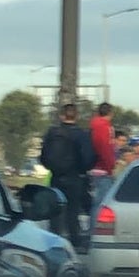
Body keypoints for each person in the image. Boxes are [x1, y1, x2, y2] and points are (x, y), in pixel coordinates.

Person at [39, 103, 96, 249]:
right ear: (76, 116)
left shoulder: (52, 133)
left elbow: (43, 156)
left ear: (61, 116)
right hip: (75, 177)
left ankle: (54, 242)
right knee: (73, 211)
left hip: (56, 177)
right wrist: (83, 170)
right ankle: (74, 243)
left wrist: (52, 168)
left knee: (56, 212)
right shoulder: (81, 135)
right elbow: (89, 158)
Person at [89, 102, 117, 176]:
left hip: (94, 166)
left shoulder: (93, 125)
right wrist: (111, 165)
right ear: (111, 113)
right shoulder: (105, 127)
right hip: (103, 169)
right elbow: (106, 147)